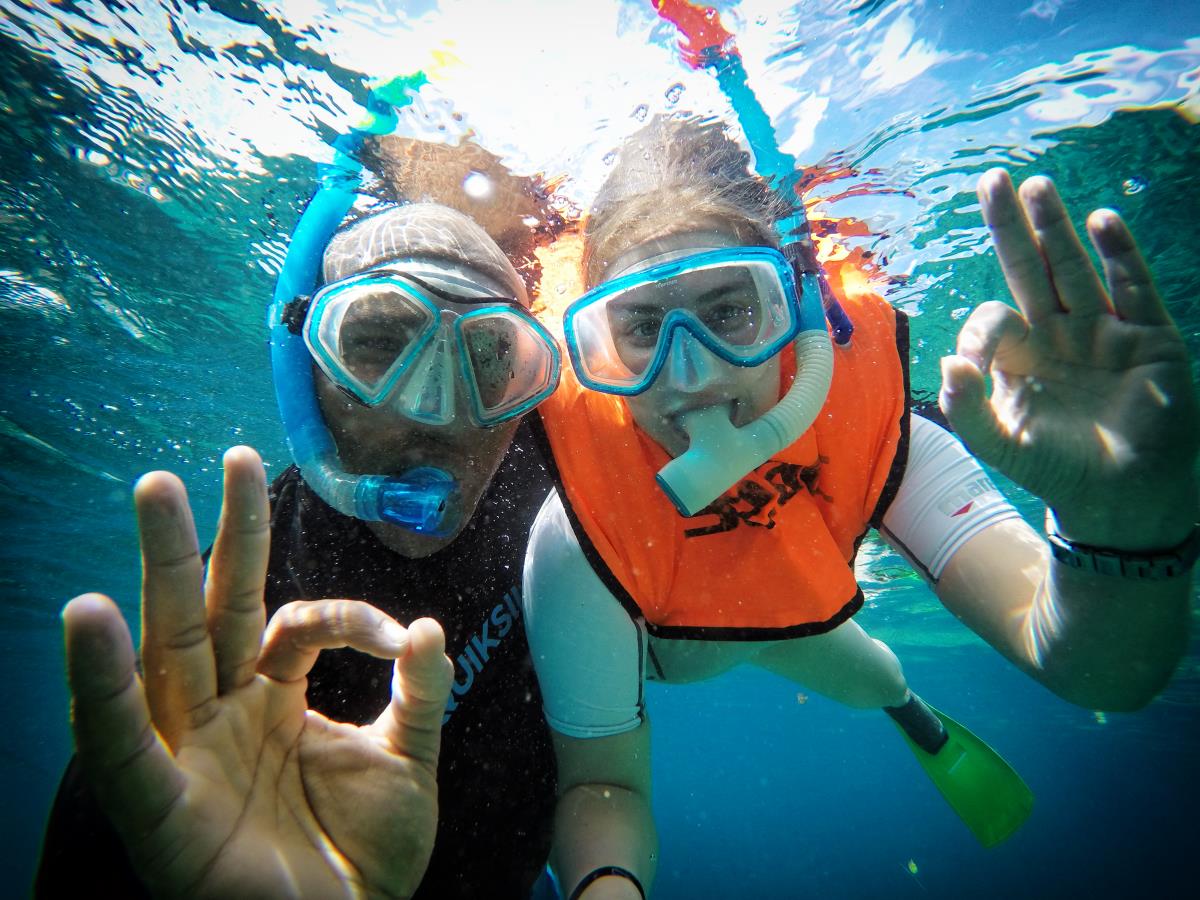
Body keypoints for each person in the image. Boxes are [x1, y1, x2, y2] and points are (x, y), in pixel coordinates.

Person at [522, 117, 1199, 899]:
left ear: (800, 312)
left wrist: (1117, 523)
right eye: (643, 326)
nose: (693, 375)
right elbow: (601, 784)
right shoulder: (576, 535)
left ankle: (911, 713)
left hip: (796, 614)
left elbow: (1099, 675)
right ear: (596, 345)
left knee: (876, 673)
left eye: (730, 311)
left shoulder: (873, 432)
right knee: (814, 662)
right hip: (666, 643)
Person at [37, 134, 566, 899]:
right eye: (378, 343)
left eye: (491, 358)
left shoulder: (552, 477)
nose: (438, 412)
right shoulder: (238, 625)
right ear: (305, 369)